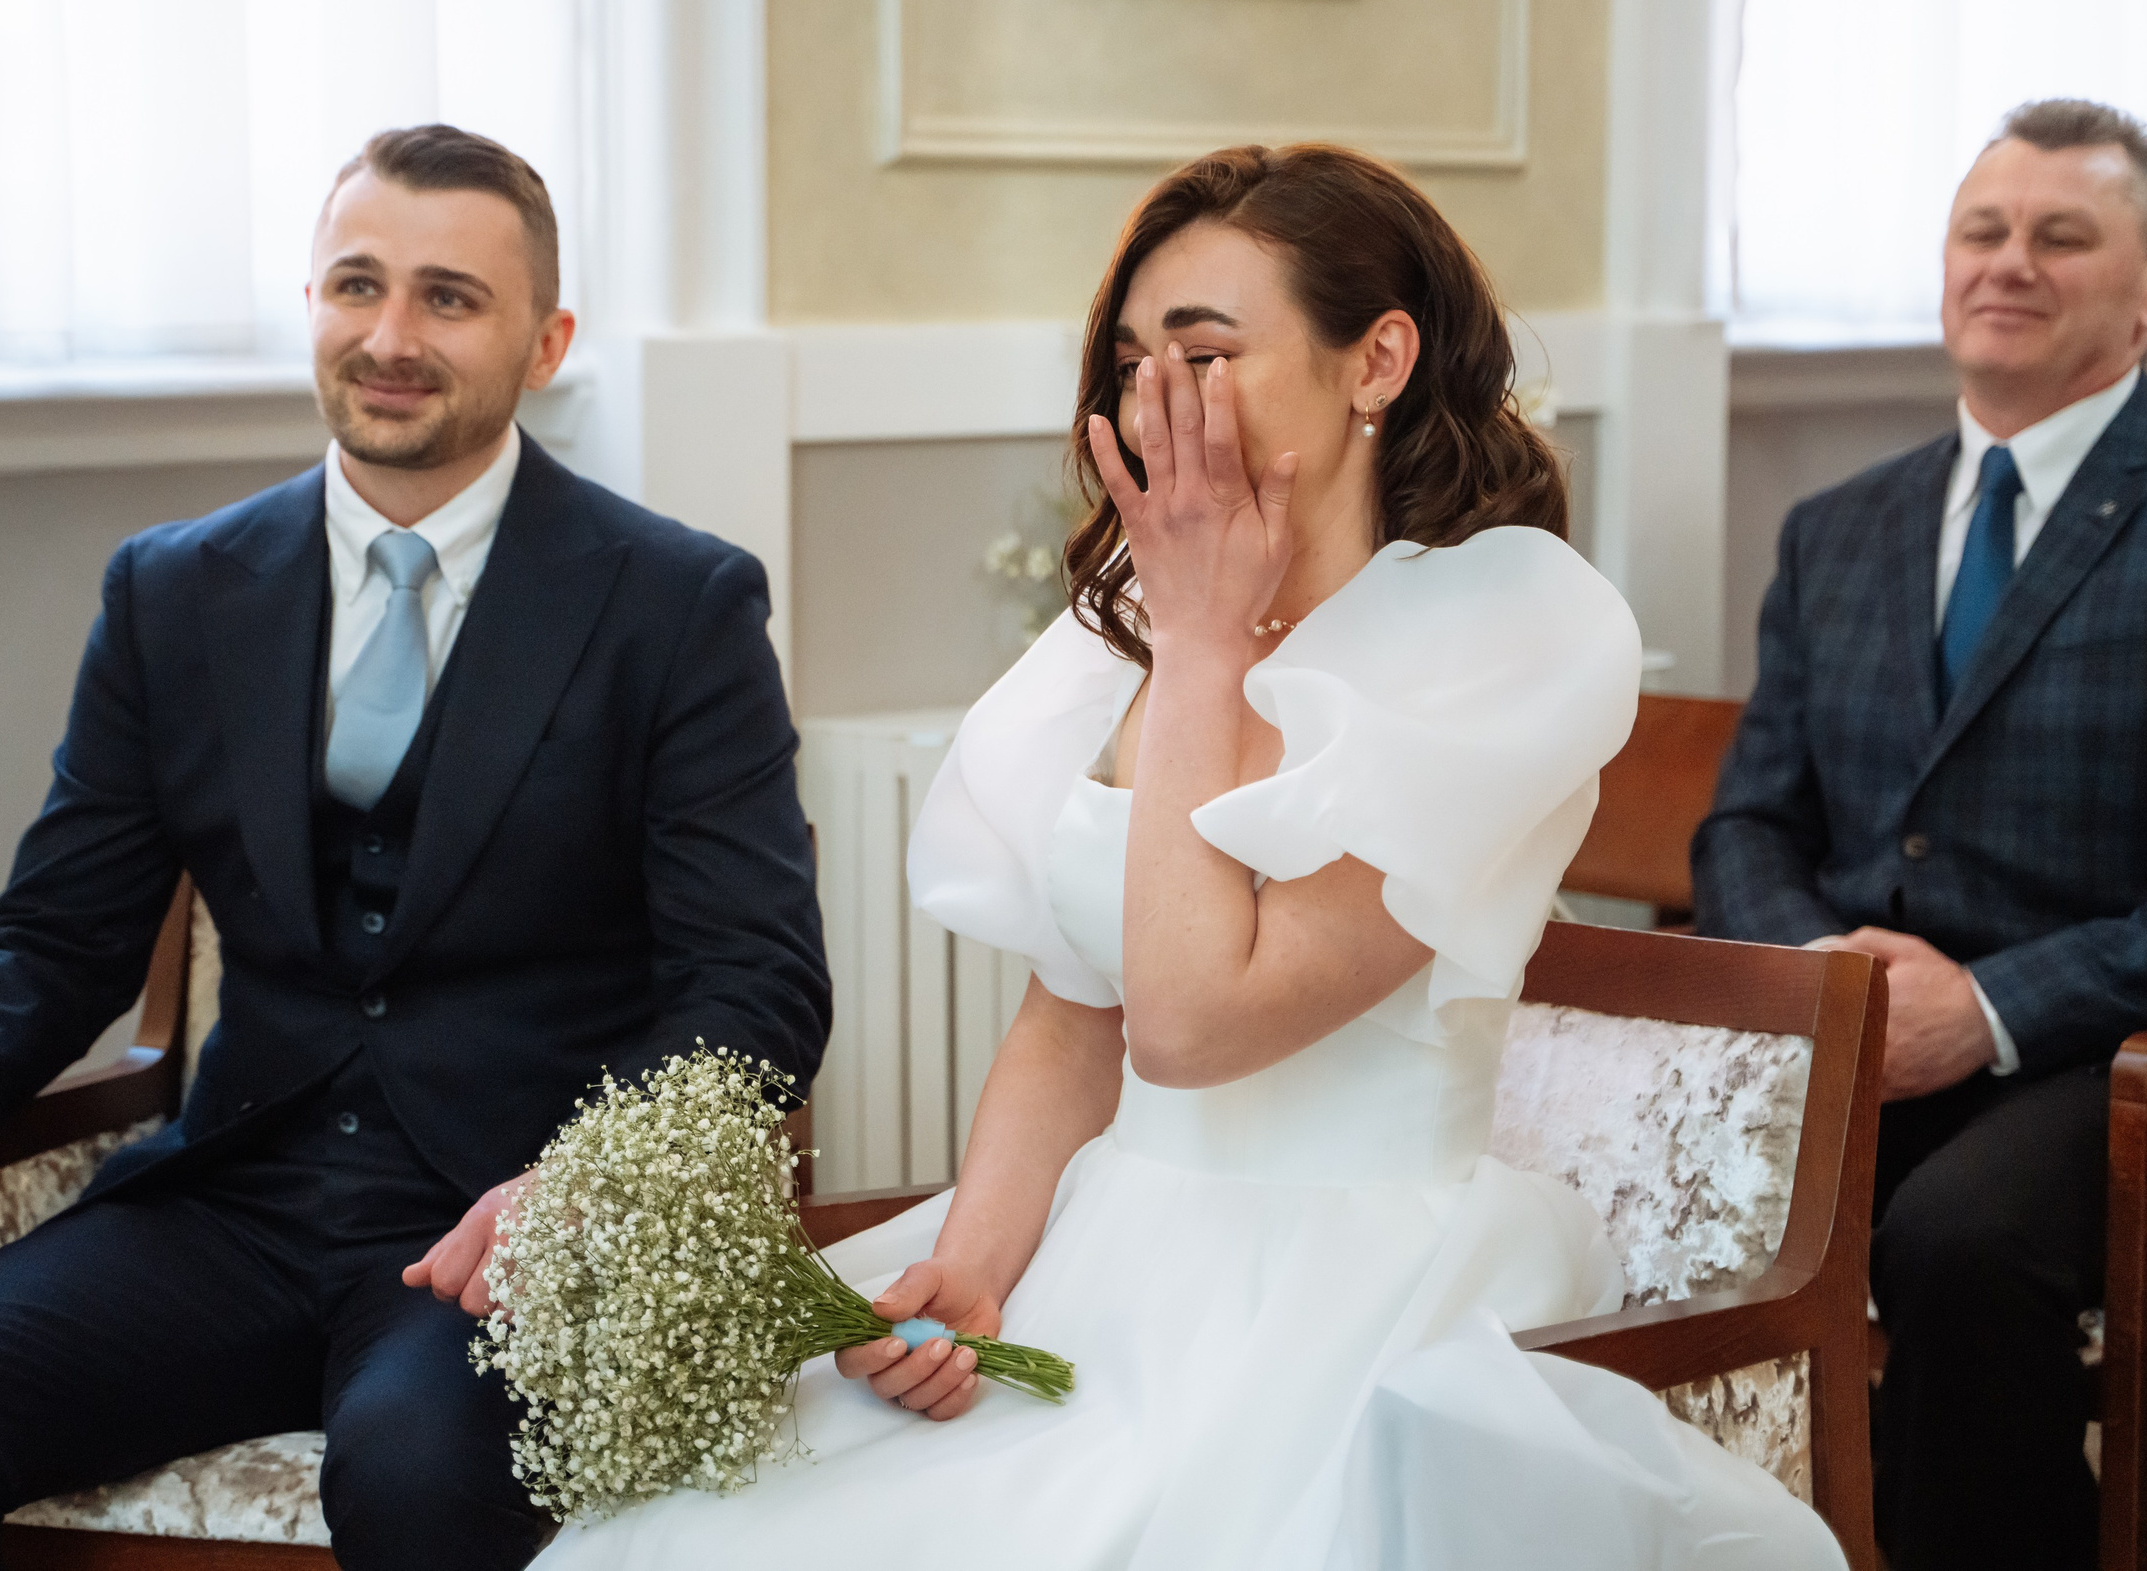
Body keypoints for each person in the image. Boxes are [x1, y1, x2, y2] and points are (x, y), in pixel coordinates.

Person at [530, 144, 1844, 1568]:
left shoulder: (1509, 632)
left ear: (1378, 361)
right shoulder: (1124, 637)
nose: (1158, 398)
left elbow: (1196, 1023)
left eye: (1208, 353)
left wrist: (1208, 645)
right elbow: (1071, 1009)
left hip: (1342, 1290)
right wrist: (975, 1263)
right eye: (1135, 356)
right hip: (1105, 1249)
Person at [0, 124, 831, 1571]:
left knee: (413, 1479)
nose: (391, 337)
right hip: (236, 1206)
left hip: (498, 1232)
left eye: (450, 298)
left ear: (545, 341)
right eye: (356, 285)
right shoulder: (176, 590)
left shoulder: (676, 604)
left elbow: (752, 981)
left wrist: (583, 1195)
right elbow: (54, 938)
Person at [1694, 97, 2147, 1571]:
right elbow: (1751, 819)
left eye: (2061, 236)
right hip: (1848, 1030)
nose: (2009, 262)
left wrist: (1993, 1009)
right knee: (1607, 1185)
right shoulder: (1838, 528)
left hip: (2093, 1053)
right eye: (1983, 231)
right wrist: (1825, 971)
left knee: (1958, 1247)